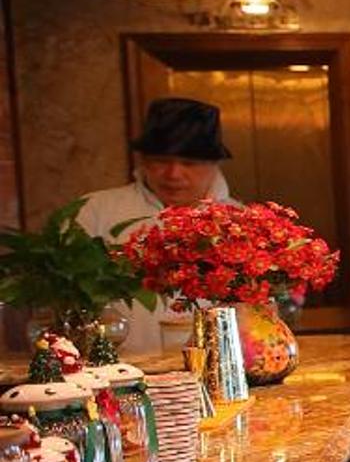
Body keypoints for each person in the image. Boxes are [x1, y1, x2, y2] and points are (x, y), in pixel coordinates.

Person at [77, 97, 237, 355]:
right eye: (161, 161)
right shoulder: (94, 211)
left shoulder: (240, 222)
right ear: (143, 160)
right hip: (120, 371)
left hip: (216, 369)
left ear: (214, 164)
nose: (173, 174)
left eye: (189, 163)